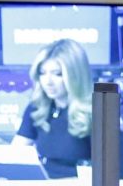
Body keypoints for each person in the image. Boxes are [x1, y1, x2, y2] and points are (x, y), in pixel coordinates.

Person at [14, 38, 95, 178]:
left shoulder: (95, 112)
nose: (48, 81)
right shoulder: (37, 107)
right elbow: (15, 155)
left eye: (57, 74)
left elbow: (107, 174)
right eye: (43, 73)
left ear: (75, 75)